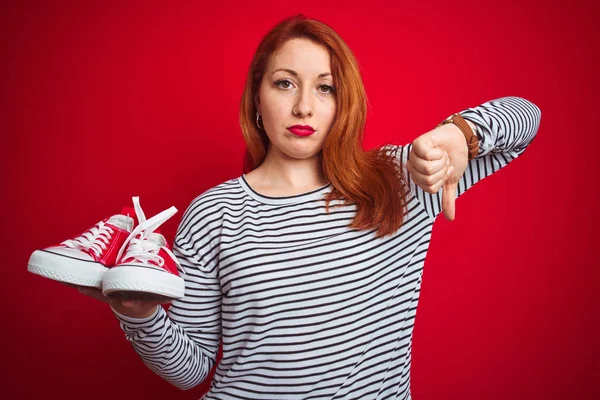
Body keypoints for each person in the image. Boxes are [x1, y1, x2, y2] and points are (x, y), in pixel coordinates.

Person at [79, 14, 541, 400]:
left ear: (345, 103)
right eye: (285, 84)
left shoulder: (400, 178)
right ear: (258, 98)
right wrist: (138, 313)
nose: (304, 106)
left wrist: (460, 135)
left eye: (325, 88)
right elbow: (191, 370)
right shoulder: (212, 212)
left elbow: (527, 116)